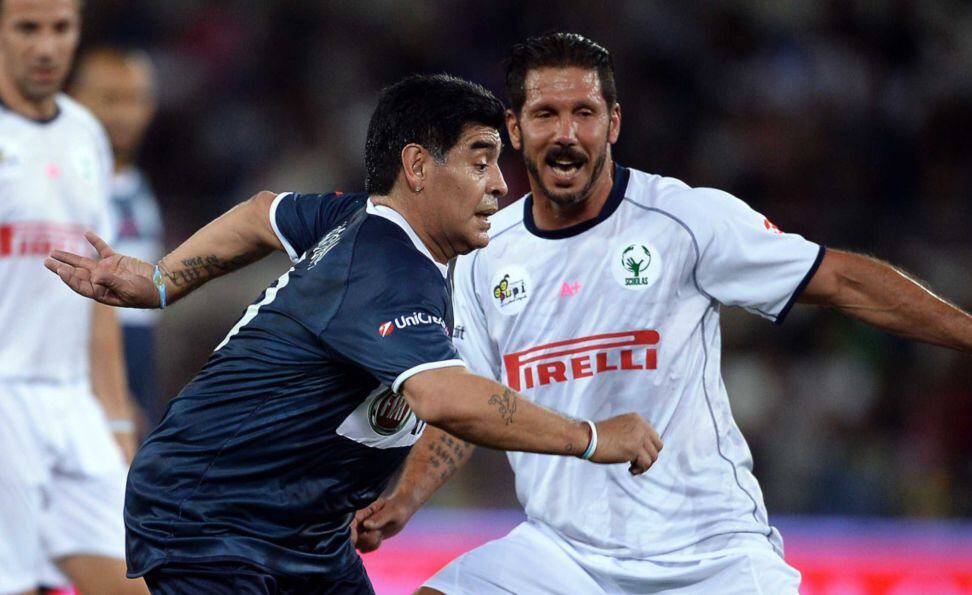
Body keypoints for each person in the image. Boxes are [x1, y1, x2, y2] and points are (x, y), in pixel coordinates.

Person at [348, 33, 972, 594]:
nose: (565, 132)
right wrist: (403, 501)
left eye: (584, 112)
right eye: (545, 113)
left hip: (709, 553)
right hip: (563, 556)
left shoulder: (685, 219)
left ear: (614, 123)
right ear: (514, 128)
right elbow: (470, 405)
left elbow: (842, 279)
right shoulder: (483, 253)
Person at [45, 73, 663, 594]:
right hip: (213, 516)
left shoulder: (367, 223)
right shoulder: (386, 268)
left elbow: (264, 212)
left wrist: (162, 281)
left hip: (305, 528)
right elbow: (447, 398)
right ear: (417, 165)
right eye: (480, 161)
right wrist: (590, 438)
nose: (501, 184)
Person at [0, 1, 145, 594]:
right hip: (4, 401)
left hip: (72, 405)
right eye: (27, 28)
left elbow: (98, 291)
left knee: (137, 582)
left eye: (61, 29)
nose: (46, 47)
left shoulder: (85, 134)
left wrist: (114, 419)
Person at [69, 45, 164, 426]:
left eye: (137, 100)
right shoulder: (64, 185)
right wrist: (111, 398)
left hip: (137, 377)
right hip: (83, 387)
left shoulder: (138, 185)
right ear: (76, 100)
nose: (125, 115)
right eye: (110, 99)